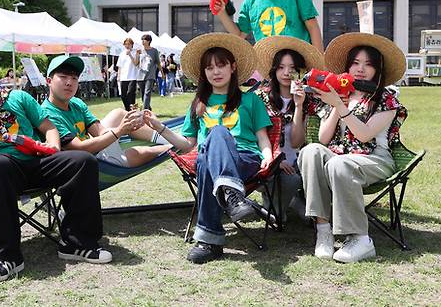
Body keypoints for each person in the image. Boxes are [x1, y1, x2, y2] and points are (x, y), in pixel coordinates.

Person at [0, 40, 112, 285]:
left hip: (35, 162)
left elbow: (48, 127)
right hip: (0, 173)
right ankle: (7, 257)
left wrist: (54, 146)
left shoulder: (18, 97)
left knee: (82, 160)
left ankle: (77, 243)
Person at [142, 33, 274, 264]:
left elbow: (262, 137)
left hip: (244, 160)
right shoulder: (198, 104)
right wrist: (159, 127)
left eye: (221, 65)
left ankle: (208, 240)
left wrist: (268, 156)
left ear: (233, 67)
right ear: (203, 73)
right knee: (206, 155)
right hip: (208, 162)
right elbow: (188, 145)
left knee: (217, 133)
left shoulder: (251, 101)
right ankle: (232, 195)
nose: (216, 71)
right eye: (209, 67)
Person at [298, 32, 408, 263]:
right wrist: (338, 103)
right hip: (340, 154)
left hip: (374, 159)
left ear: (378, 70)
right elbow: (324, 138)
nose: (360, 69)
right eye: (355, 63)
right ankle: (324, 230)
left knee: (339, 163)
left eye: (368, 64)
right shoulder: (340, 92)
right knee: (311, 151)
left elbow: (365, 134)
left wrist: (339, 104)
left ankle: (361, 239)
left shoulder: (385, 99)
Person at [42, 55, 171, 169]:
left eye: (74, 78)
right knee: (135, 154)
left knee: (119, 114)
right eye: (63, 77)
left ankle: (168, 139)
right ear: (49, 81)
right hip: (85, 162)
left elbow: (98, 130)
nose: (69, 82)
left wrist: (125, 127)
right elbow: (79, 148)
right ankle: (173, 147)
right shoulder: (46, 113)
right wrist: (119, 131)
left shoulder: (76, 103)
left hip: (94, 147)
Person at [253, 35, 325, 222]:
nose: (286, 73)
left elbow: (295, 142)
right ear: (274, 70)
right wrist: (275, 159)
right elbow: (254, 135)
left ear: (301, 72)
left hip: (295, 162)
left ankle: (289, 200)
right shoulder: (261, 97)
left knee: (296, 178)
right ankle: (283, 203)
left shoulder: (308, 100)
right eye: (281, 67)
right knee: (279, 215)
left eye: (293, 69)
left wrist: (299, 106)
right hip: (266, 158)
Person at [116, 38, 141, 111]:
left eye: (129, 44)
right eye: (126, 44)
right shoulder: (121, 54)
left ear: (132, 45)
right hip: (123, 77)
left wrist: (130, 55)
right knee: (123, 95)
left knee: (130, 93)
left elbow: (136, 63)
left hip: (132, 76)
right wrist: (118, 76)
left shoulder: (135, 52)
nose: (127, 46)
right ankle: (128, 109)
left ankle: (133, 109)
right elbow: (120, 66)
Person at [137, 35, 159, 111]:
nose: (142, 41)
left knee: (147, 92)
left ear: (149, 41)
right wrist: (137, 55)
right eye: (142, 40)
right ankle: (148, 108)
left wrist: (162, 74)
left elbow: (158, 62)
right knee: (143, 93)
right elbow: (136, 63)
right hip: (140, 75)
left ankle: (145, 110)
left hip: (150, 75)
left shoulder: (154, 51)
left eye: (144, 40)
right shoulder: (139, 50)